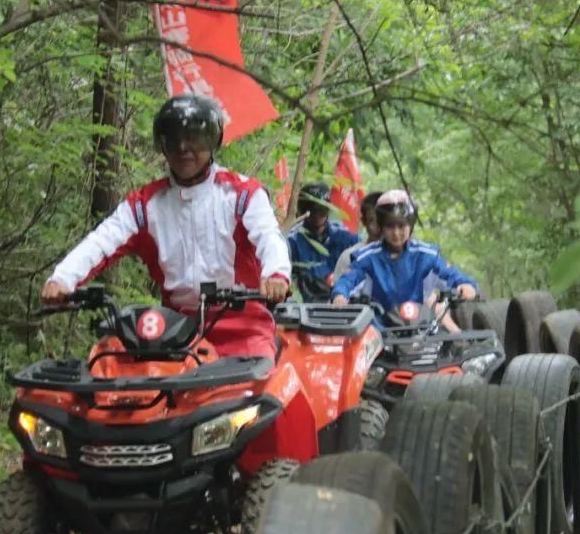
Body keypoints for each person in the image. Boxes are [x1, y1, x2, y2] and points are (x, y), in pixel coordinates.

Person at [40, 94, 291, 358]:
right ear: (162, 145)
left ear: (213, 142)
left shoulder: (242, 194)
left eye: (194, 137)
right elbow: (102, 240)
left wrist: (275, 275)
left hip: (243, 328)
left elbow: (268, 236)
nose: (183, 147)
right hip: (174, 331)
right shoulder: (145, 204)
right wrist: (62, 279)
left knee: (258, 387)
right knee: (117, 378)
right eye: (173, 139)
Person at [331, 190, 477, 328]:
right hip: (378, 329)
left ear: (411, 226)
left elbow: (449, 272)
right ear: (381, 227)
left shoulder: (426, 254)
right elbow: (348, 279)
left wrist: (465, 284)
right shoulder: (367, 256)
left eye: (401, 226)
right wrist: (340, 294)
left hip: (420, 327)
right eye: (390, 226)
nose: (396, 232)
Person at [287, 182, 360, 302]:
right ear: (301, 210)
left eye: (321, 210)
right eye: (310, 210)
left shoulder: (347, 237)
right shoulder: (291, 241)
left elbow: (364, 262)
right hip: (305, 305)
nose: (316, 215)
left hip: (343, 302)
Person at [333, 191, 382, 278]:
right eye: (372, 221)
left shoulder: (404, 256)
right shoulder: (349, 257)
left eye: (382, 221)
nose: (378, 227)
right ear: (363, 221)